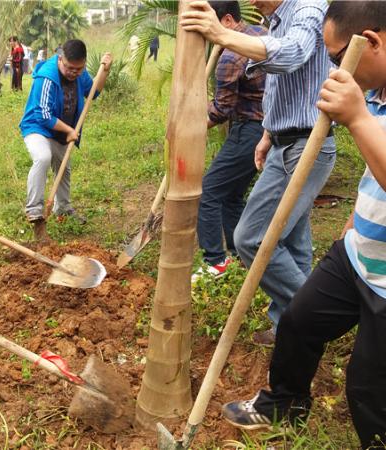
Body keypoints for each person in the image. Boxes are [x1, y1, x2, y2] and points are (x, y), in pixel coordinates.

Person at [222, 4, 386, 447]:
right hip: (357, 252)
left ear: (371, 41)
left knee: (368, 389)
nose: (331, 68)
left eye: (334, 58)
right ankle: (283, 404)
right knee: (297, 322)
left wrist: (355, 118)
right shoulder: (377, 95)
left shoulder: (364, 105)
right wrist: (353, 224)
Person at [182, 0, 336, 344]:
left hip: (307, 146)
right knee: (294, 242)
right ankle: (289, 327)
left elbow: (292, 54)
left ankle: (313, 317)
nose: (250, 0)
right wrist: (268, 133)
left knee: (251, 238)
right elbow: (282, 87)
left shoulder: (308, 9)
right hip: (284, 142)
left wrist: (220, 34)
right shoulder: (276, 19)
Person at [191, 1, 266, 282]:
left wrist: (193, 127)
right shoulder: (261, 34)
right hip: (269, 129)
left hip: (249, 131)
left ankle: (215, 263)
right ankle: (238, 255)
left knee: (208, 192)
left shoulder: (231, 55)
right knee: (232, 195)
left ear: (227, 20)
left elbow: (221, 110)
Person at [19, 39, 112, 240]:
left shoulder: (79, 74)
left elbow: (93, 92)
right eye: (70, 68)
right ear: (60, 59)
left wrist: (104, 71)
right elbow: (42, 114)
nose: (74, 72)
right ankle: (35, 211)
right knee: (43, 157)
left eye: (78, 69)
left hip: (60, 132)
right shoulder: (47, 77)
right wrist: (69, 130)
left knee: (63, 168)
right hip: (37, 128)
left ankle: (62, 208)